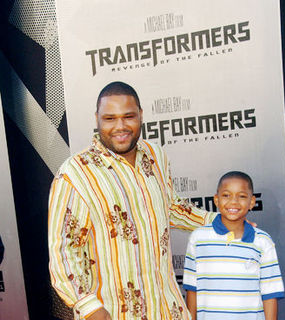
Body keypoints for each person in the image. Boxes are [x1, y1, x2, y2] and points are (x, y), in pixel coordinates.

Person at [48, 81, 217, 320]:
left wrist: (220, 222)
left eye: (128, 116)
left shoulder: (156, 156)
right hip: (114, 313)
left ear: (141, 115)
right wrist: (90, 309)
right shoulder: (75, 174)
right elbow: (63, 252)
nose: (120, 126)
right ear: (97, 119)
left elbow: (171, 207)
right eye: (110, 118)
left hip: (167, 308)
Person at [183, 171, 284, 320]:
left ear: (252, 202)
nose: (233, 202)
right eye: (226, 195)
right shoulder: (198, 238)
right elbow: (192, 289)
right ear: (216, 200)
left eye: (242, 196)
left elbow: (270, 294)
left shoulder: (263, 242)